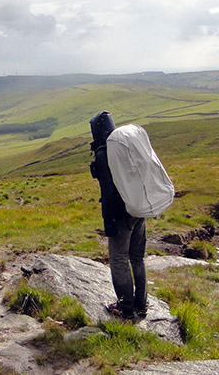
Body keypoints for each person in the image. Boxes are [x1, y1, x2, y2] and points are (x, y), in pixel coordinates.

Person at [89, 110, 147, 320]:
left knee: (119, 258)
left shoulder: (105, 152)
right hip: (137, 207)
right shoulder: (125, 145)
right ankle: (141, 305)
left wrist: (109, 221)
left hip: (120, 213)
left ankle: (125, 307)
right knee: (137, 257)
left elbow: (108, 190)